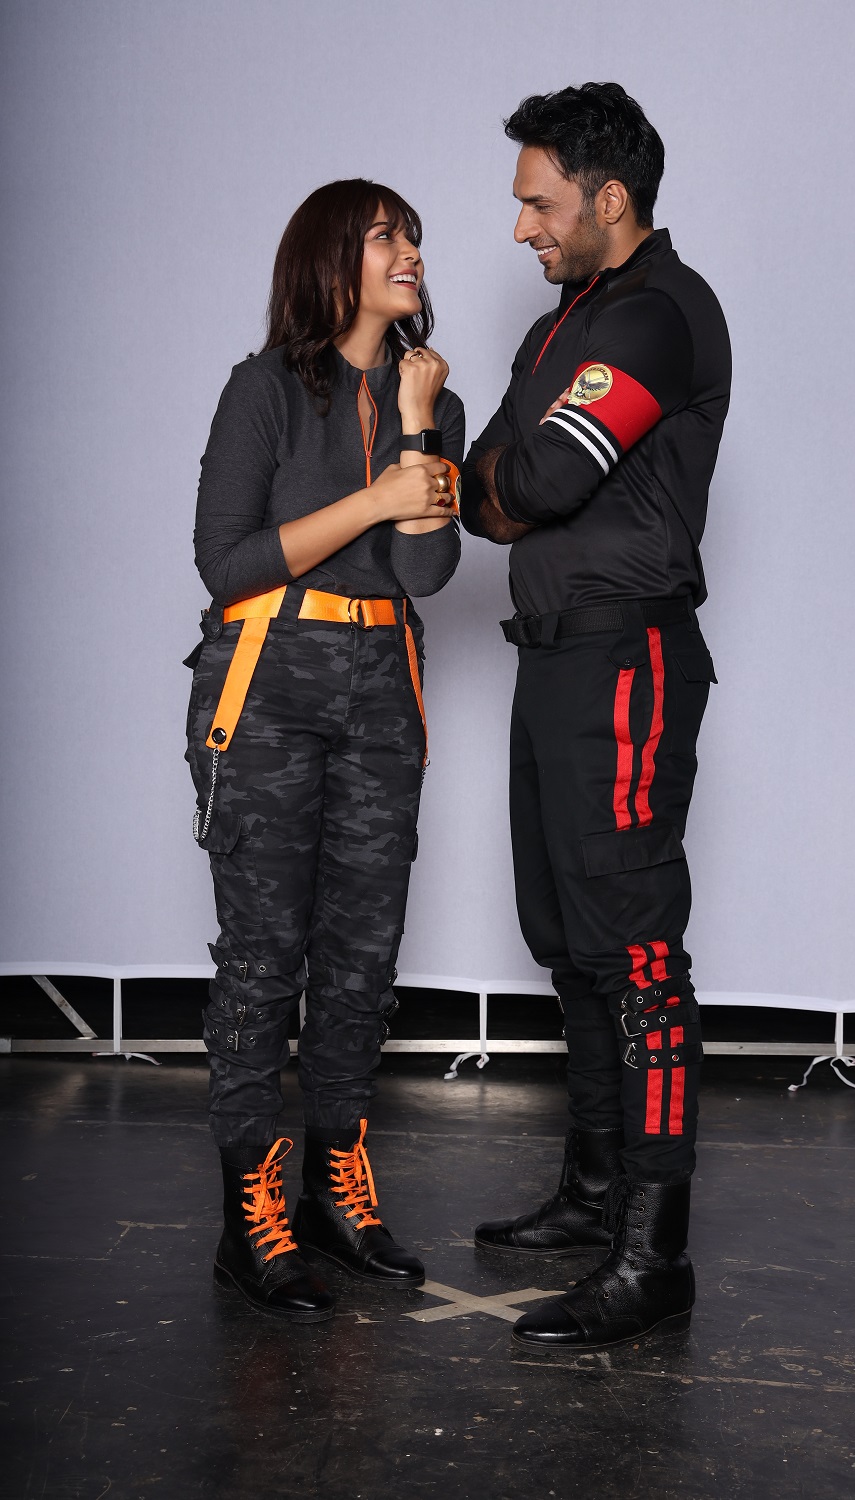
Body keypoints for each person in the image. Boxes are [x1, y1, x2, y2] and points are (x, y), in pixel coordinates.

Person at [460, 84, 731, 1349]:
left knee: (634, 953)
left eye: (539, 202)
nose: (521, 226)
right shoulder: (560, 325)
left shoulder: (660, 314)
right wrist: (506, 483)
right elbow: (483, 494)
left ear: (608, 198)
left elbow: (548, 475)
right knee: (568, 941)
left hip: (627, 655)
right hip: (553, 657)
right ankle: (591, 1194)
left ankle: (652, 1253)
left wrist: (510, 483)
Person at [186, 179, 463, 1322]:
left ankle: (336, 1189)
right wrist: (377, 497)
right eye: (385, 235)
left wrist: (416, 425)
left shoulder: (429, 396)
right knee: (263, 957)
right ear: (328, 259)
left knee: (361, 957)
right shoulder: (261, 390)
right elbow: (226, 564)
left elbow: (427, 571)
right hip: (268, 680)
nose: (410, 251)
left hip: (383, 683)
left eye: (413, 236)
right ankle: (252, 1215)